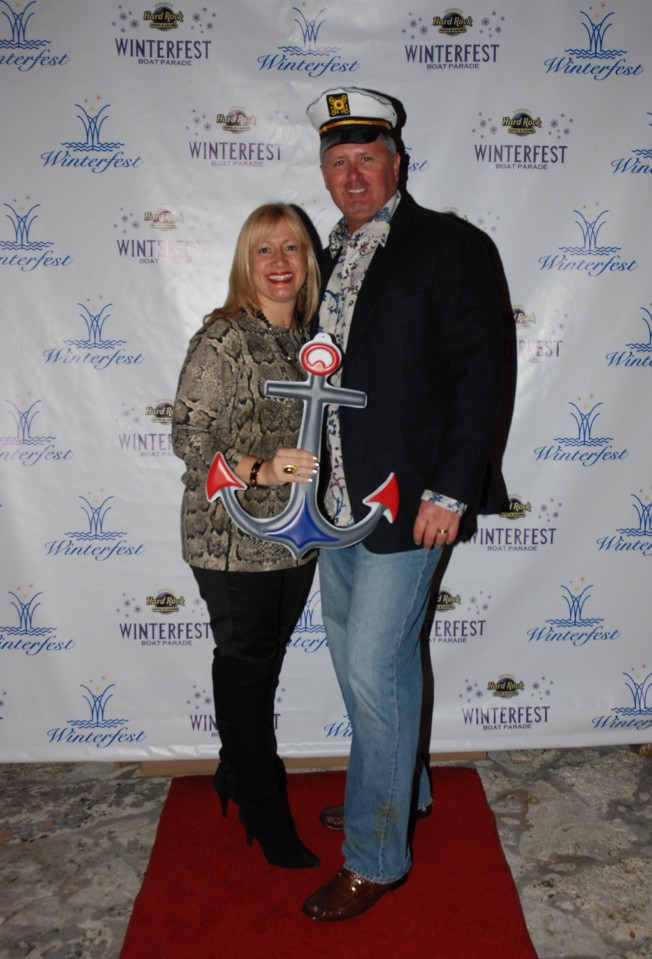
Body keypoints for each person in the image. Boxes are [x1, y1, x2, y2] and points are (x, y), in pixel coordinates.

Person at [301, 87, 505, 919]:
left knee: (374, 669)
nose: (352, 175)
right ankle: (397, 788)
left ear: (398, 163)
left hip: (408, 499)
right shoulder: (325, 252)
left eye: (367, 159)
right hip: (333, 499)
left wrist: (450, 488)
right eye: (338, 161)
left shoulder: (450, 246)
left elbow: (482, 373)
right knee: (359, 662)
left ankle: (376, 855)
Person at [171, 203, 322, 869]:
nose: (280, 262)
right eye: (265, 250)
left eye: (292, 248)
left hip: (295, 535)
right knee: (246, 669)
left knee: (262, 667)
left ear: (307, 261)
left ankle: (236, 770)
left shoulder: (310, 342)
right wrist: (260, 468)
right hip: (232, 537)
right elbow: (188, 438)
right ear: (245, 263)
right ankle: (265, 812)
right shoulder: (223, 339)